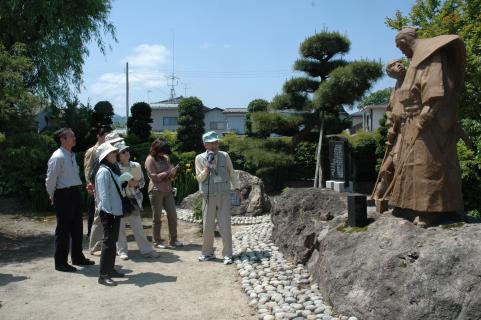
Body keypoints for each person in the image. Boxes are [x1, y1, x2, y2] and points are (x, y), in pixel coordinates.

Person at [389, 27, 466, 227]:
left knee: (428, 165)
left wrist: (425, 117)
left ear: (405, 41)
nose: (401, 52)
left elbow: (436, 92)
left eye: (400, 46)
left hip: (429, 123)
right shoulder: (414, 62)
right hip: (409, 122)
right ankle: (405, 205)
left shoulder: (431, 57)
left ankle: (431, 210)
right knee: (407, 166)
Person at [45, 128, 94, 272]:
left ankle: (77, 257)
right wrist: (51, 194)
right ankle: (60, 262)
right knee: (63, 229)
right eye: (71, 136)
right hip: (63, 194)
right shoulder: (57, 157)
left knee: (77, 227)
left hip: (74, 192)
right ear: (62, 139)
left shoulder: (70, 155)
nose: (75, 138)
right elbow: (50, 179)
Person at [195, 131, 241, 265]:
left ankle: (228, 254)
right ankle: (207, 253)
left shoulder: (224, 156)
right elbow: (199, 178)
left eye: (216, 142)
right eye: (211, 143)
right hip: (208, 196)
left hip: (224, 195)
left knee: (225, 225)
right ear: (205, 145)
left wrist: (237, 188)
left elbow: (231, 172)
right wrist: (206, 169)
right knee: (207, 225)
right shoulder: (199, 158)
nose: (215, 145)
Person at [114, 140, 160, 260]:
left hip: (133, 198)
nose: (126, 153)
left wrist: (136, 184)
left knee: (138, 227)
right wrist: (125, 183)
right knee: (120, 227)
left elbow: (143, 182)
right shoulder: (114, 167)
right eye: (123, 151)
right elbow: (113, 185)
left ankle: (146, 250)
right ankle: (122, 251)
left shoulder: (136, 165)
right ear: (118, 155)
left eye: (127, 150)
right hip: (120, 199)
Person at [371, 59, 406, 201]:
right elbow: (389, 110)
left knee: (399, 161)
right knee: (386, 168)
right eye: (393, 65)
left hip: (409, 128)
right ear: (390, 73)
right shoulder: (395, 88)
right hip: (397, 132)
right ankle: (383, 193)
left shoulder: (412, 80)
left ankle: (400, 196)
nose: (399, 65)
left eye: (400, 63)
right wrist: (390, 126)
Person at [88, 132, 124, 255]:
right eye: (114, 143)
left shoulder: (112, 158)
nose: (117, 145)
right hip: (101, 193)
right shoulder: (102, 159)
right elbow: (92, 175)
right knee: (99, 218)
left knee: (104, 222)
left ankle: (104, 245)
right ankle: (94, 247)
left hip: (111, 195)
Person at [95, 142, 125, 286]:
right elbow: (103, 195)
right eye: (113, 153)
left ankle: (110, 269)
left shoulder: (110, 169)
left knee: (112, 241)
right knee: (108, 242)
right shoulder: (103, 171)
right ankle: (103, 275)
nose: (116, 155)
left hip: (114, 211)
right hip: (109, 213)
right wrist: (109, 213)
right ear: (106, 155)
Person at [145, 139, 183, 249]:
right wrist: (167, 172)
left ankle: (174, 240)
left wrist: (173, 173)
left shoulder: (165, 158)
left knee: (173, 216)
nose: (164, 154)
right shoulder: (150, 160)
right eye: (162, 151)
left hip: (168, 190)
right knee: (157, 218)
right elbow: (154, 177)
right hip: (156, 191)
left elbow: (170, 176)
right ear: (156, 150)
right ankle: (157, 241)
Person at [84, 125, 112, 237]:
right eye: (106, 135)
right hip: (95, 185)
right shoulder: (92, 151)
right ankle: (91, 233)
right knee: (93, 210)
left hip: (107, 184)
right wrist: (90, 185)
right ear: (99, 136)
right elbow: (87, 169)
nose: (108, 137)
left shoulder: (110, 149)